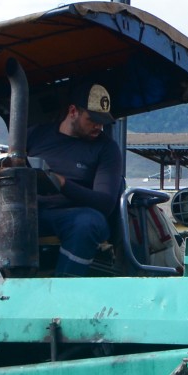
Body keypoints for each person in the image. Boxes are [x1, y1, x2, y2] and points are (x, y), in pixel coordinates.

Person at [28, 82, 122, 277]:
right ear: (73, 111)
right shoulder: (35, 135)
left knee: (87, 224)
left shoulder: (107, 149)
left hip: (76, 216)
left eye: (102, 120)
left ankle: (64, 291)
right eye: (92, 119)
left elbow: (105, 202)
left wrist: (62, 184)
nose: (98, 126)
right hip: (34, 212)